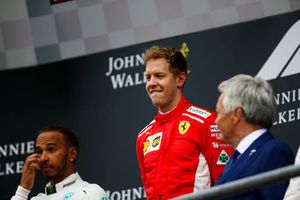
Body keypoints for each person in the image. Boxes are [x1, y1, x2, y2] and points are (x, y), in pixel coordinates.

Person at [136, 46, 234, 199]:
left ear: (180, 79)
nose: (151, 83)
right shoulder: (143, 137)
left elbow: (227, 185)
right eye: (148, 78)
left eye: (159, 76)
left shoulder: (206, 122)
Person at [214, 74, 294, 200]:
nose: (216, 121)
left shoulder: (273, 153)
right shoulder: (236, 159)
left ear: (237, 114)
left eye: (218, 112)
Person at [11, 126, 109, 200]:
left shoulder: (91, 193)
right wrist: (23, 189)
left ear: (72, 154)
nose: (43, 158)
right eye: (39, 152)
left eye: (51, 149)